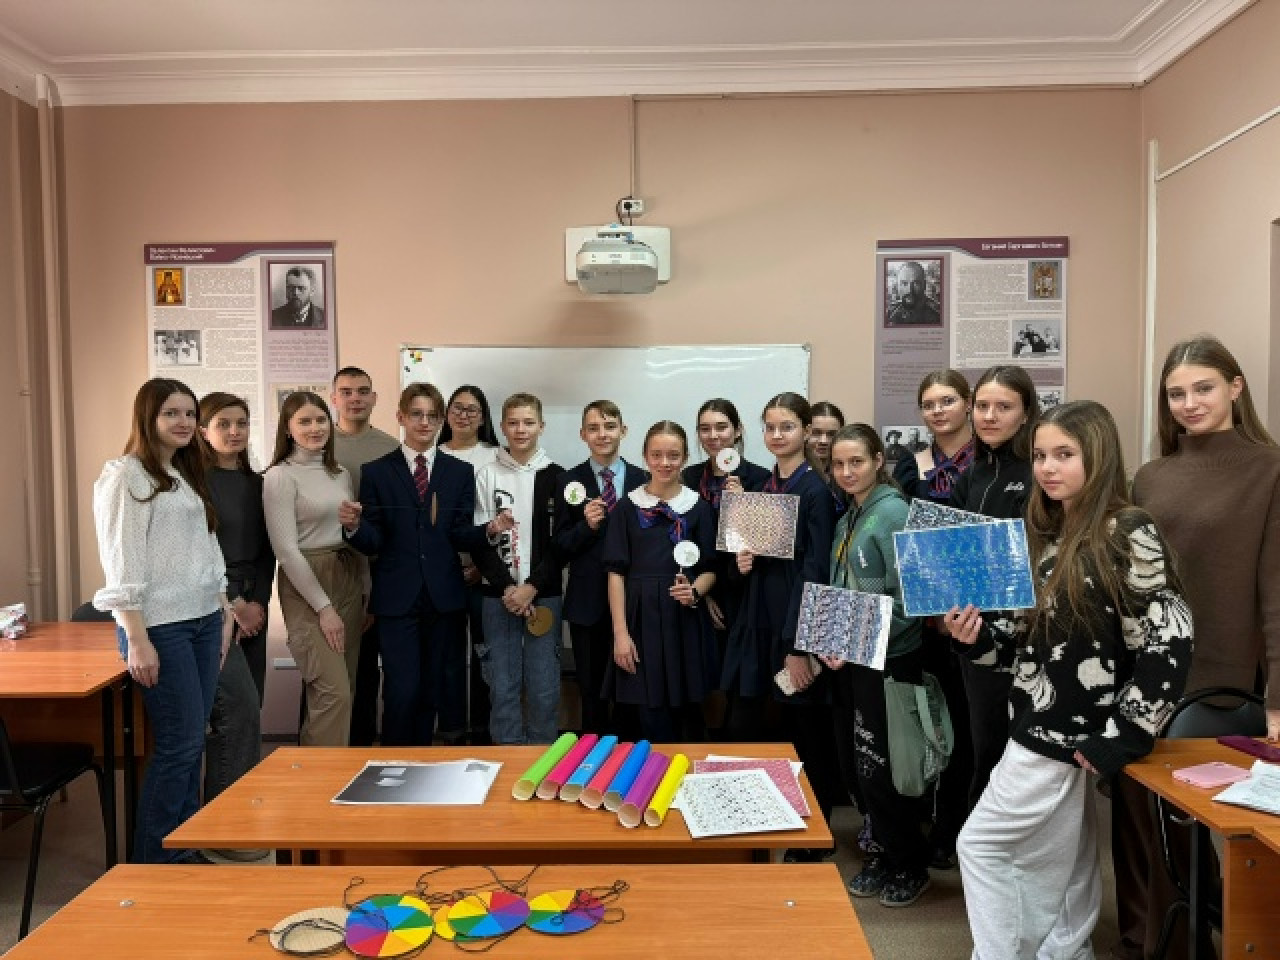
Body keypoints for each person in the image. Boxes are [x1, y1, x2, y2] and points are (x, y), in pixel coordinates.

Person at [948, 400, 1192, 960]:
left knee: (980, 845)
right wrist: (976, 639)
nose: (1047, 467)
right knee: (1072, 858)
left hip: (1067, 732)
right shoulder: (1052, 533)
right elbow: (1029, 644)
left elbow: (1169, 638)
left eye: (1064, 454)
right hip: (1041, 720)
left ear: (1098, 457)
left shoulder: (1128, 529)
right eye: (1039, 455)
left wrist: (1129, 733)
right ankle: (1068, 949)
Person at [1112, 335, 1280, 960]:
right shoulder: (1151, 475)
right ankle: (1154, 943)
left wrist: (1277, 699)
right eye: (1176, 393)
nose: (1189, 403)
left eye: (1203, 388)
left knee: (1209, 824)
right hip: (1142, 670)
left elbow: (1277, 592)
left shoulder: (1270, 469)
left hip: (1220, 677)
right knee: (1141, 819)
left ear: (1236, 387)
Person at [92, 378, 233, 864]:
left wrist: (224, 610)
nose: (184, 422)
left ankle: (182, 848)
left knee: (192, 745)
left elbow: (208, 548)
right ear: (147, 417)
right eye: (171, 413)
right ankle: (155, 862)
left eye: (190, 413)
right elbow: (121, 561)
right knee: (179, 744)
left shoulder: (184, 472)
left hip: (204, 621)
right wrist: (136, 637)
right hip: (160, 627)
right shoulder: (125, 475)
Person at [344, 383, 506, 747]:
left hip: (443, 596)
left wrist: (489, 530)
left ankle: (420, 762)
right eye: (416, 414)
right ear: (401, 417)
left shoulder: (459, 472)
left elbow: (460, 533)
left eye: (432, 415)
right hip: (396, 597)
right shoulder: (377, 471)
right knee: (402, 689)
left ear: (441, 420)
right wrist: (354, 527)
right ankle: (395, 762)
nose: (424, 422)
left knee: (433, 689)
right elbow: (375, 540)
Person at [721, 392, 841, 861]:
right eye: (769, 427)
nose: (776, 435)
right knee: (744, 724)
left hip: (793, 626)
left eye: (786, 426)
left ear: (806, 430)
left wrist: (798, 645)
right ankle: (747, 827)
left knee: (807, 732)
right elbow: (746, 559)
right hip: (756, 620)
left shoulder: (815, 491)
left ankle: (816, 837)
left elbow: (816, 571)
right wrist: (742, 563)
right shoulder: (764, 485)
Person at [823, 424, 931, 907]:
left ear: (877, 462)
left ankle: (910, 864)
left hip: (890, 660)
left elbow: (912, 600)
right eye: (838, 464)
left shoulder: (894, 514)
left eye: (857, 462)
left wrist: (856, 640)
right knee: (865, 766)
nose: (846, 471)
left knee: (891, 766)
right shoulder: (851, 515)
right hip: (855, 658)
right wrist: (834, 640)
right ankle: (883, 852)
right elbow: (842, 589)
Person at [891, 368, 977, 869]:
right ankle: (927, 819)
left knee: (967, 726)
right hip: (923, 615)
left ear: (967, 403)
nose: (938, 410)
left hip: (973, 613)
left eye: (947, 400)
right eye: (929, 404)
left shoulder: (987, 462)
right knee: (928, 719)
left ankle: (955, 831)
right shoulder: (911, 464)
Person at [946, 364, 1040, 811]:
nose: (989, 416)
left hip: (1026, 638)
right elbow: (951, 551)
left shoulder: (1039, 473)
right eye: (982, 406)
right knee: (983, 748)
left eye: (1003, 407)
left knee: (1017, 757)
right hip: (974, 635)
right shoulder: (975, 474)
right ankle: (979, 845)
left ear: (1026, 413)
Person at [604, 421, 718, 742]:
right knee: (646, 715)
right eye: (656, 455)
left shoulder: (698, 507)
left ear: (685, 457)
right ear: (645, 457)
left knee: (687, 713)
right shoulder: (627, 507)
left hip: (684, 621)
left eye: (673, 455)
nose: (664, 463)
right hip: (640, 620)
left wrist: (694, 591)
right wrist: (620, 634)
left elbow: (711, 569)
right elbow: (615, 574)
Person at [196, 393, 274, 853]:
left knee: (249, 712)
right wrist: (234, 604)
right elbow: (200, 553)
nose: (234, 431)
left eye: (241, 423)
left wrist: (257, 603)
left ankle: (235, 820)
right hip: (214, 604)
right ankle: (222, 830)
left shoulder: (257, 483)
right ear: (204, 430)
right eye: (223, 423)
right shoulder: (193, 482)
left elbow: (267, 552)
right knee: (233, 712)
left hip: (253, 607)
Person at [263, 391, 363, 746]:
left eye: (321, 420)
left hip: (346, 573)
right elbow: (286, 551)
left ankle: (324, 770)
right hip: (307, 582)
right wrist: (324, 608)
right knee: (333, 694)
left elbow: (348, 532)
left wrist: (364, 588)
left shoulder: (340, 473)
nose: (315, 427)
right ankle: (319, 776)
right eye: (304, 421)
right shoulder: (279, 476)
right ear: (287, 429)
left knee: (342, 691)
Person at [473, 393, 565, 744]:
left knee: (544, 689)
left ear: (542, 426)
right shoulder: (486, 474)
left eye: (528, 422)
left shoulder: (557, 476)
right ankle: (506, 759)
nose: (521, 429)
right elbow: (478, 539)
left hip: (544, 596)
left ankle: (543, 759)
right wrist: (508, 589)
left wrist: (531, 587)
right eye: (513, 423)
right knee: (502, 688)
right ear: (501, 427)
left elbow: (561, 546)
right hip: (498, 598)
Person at [554, 400, 648, 735]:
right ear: (583, 434)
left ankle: (628, 761)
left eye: (609, 427)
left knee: (630, 690)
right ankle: (593, 761)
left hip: (633, 601)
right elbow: (560, 544)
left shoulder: (644, 479)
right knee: (591, 693)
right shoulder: (568, 481)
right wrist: (586, 527)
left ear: (623, 431)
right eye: (593, 428)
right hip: (587, 603)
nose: (602, 434)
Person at [682, 398, 771, 728]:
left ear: (738, 431)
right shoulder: (689, 477)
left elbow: (762, 544)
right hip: (699, 591)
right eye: (705, 429)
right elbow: (680, 540)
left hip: (744, 594)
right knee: (697, 682)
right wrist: (703, 592)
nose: (714, 435)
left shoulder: (760, 479)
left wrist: (742, 503)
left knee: (740, 689)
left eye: (721, 427)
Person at [330, 366, 400, 746]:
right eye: (346, 391)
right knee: (327, 676)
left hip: (375, 573)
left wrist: (372, 586)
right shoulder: (319, 443)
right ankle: (326, 756)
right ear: (333, 398)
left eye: (362, 391)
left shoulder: (390, 449)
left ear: (374, 398)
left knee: (368, 673)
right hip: (328, 571)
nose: (354, 398)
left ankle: (359, 751)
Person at [438, 384, 501, 744]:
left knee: (485, 654)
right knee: (448, 654)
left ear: (483, 417)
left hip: (486, 573)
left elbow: (504, 517)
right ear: (446, 414)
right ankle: (451, 728)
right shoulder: (431, 455)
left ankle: (482, 728)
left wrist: (484, 567)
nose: (463, 415)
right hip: (442, 573)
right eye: (457, 408)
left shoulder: (497, 457)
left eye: (472, 409)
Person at [886, 261, 941, 326]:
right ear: (897, 286)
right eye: (904, 283)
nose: (909, 290)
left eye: (916, 284)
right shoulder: (890, 313)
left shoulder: (938, 315)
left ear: (924, 285)